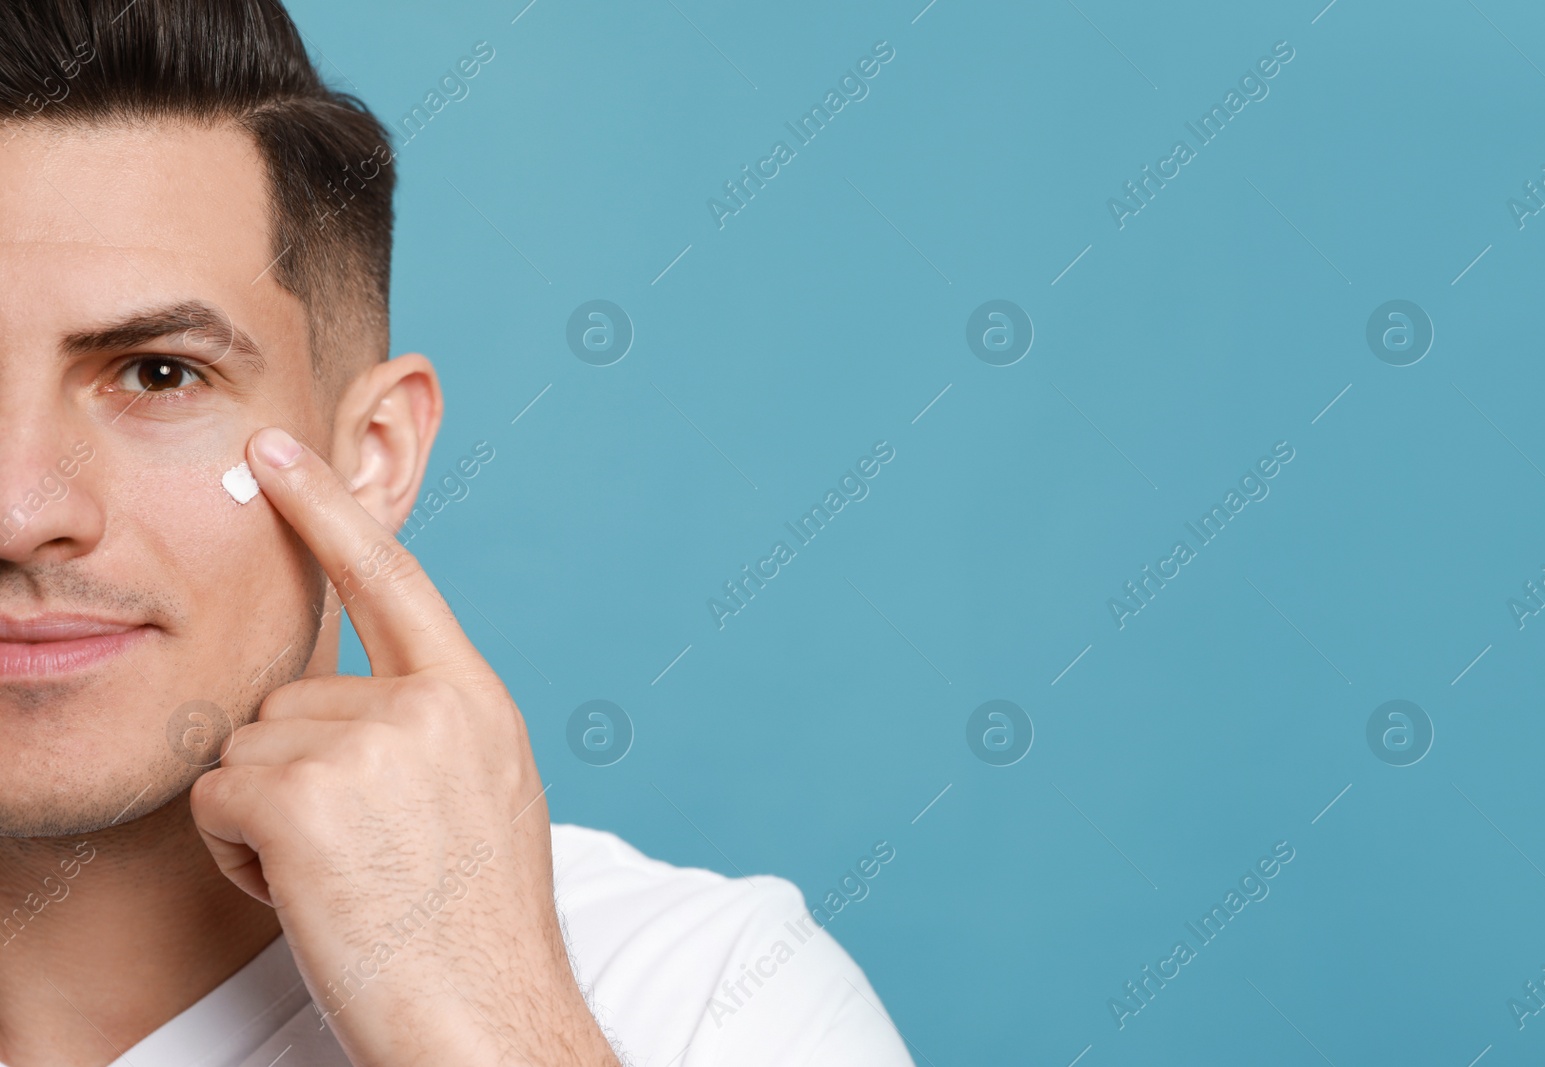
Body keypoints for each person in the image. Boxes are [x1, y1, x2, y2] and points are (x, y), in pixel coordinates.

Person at [0, 1, 914, 1064]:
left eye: (160, 373)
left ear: (372, 453)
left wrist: (475, 1009)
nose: (22, 510)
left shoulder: (699, 991)